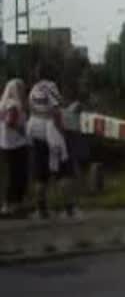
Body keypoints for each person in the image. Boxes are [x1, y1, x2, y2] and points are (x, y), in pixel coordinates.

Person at [27, 75, 74, 219]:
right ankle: (68, 210)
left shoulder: (34, 89)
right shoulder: (51, 87)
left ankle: (41, 210)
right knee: (63, 171)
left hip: (35, 132)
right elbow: (56, 111)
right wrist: (62, 132)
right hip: (51, 133)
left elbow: (30, 108)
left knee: (40, 174)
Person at [0, 79, 30, 216]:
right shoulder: (13, 104)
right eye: (21, 88)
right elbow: (10, 122)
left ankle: (13, 206)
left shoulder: (4, 103)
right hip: (16, 144)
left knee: (14, 176)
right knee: (16, 176)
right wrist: (23, 132)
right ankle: (10, 206)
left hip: (7, 144)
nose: (23, 91)